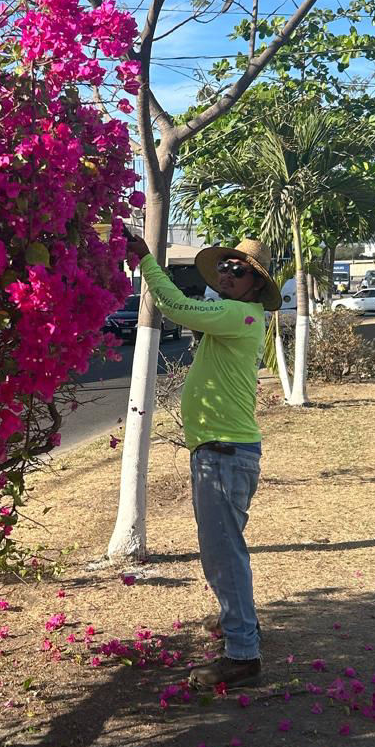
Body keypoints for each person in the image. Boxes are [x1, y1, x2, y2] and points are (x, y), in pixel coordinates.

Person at [123, 231, 281, 690]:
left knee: (223, 555)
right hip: (224, 450)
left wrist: (148, 262)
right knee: (226, 551)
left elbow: (177, 306)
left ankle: (243, 653)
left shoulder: (238, 315)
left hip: (224, 452)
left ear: (255, 284)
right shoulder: (238, 317)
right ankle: (240, 622)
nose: (228, 275)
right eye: (226, 268)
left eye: (239, 271)